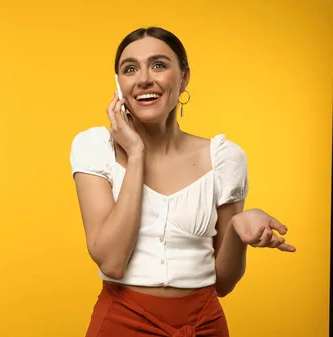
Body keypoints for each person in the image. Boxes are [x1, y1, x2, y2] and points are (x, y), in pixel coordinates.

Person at [69, 26, 296, 337]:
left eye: (159, 65)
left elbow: (224, 283)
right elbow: (112, 263)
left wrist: (238, 230)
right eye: (130, 69)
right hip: (123, 321)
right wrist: (136, 154)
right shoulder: (95, 148)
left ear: (184, 76)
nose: (144, 78)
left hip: (205, 324)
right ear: (119, 84)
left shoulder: (224, 158)